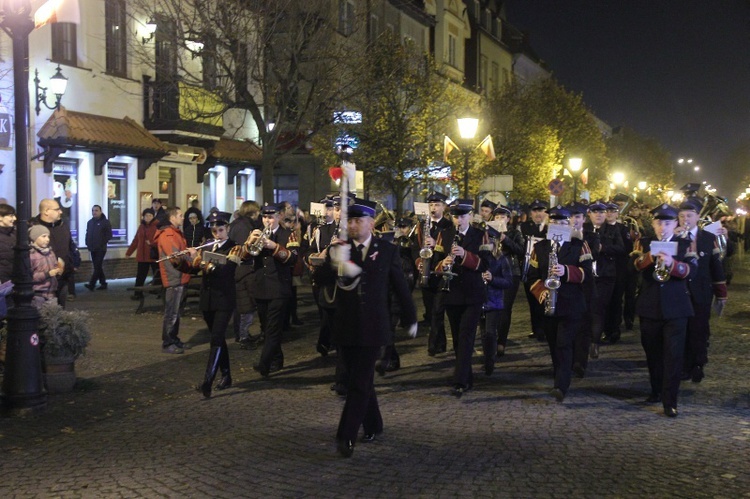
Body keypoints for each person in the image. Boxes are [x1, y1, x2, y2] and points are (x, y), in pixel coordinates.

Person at [316, 197, 417, 457]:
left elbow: (399, 286)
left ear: (371, 223)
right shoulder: (341, 248)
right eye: (349, 220)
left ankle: (346, 435)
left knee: (359, 383)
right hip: (345, 324)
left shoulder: (386, 250)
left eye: (358, 220)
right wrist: (332, 259)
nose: (352, 225)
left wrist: (410, 317)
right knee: (355, 380)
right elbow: (320, 280)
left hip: (373, 326)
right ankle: (374, 423)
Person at [631, 203, 697, 417]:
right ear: (653, 224)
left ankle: (670, 400)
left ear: (675, 224)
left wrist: (673, 264)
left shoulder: (686, 243)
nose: (663, 227)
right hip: (650, 306)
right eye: (659, 223)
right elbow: (636, 264)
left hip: (676, 308)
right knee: (653, 353)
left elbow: (691, 270)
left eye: (667, 223)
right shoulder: (644, 242)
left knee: (673, 355)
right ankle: (656, 390)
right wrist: (651, 256)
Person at [528, 205, 592, 402]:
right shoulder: (539, 248)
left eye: (563, 223)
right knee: (554, 343)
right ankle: (559, 374)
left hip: (571, 303)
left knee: (564, 343)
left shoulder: (579, 245)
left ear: (569, 225)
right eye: (555, 223)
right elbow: (531, 277)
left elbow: (587, 274)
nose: (559, 226)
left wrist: (566, 271)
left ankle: (561, 385)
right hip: (548, 303)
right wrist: (542, 293)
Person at [436, 199, 491, 397]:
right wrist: (444, 262)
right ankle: (466, 376)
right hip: (452, 293)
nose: (459, 220)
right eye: (456, 216)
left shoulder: (480, 235)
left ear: (470, 216)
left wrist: (465, 255)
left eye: (462, 216)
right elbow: (435, 262)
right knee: (458, 337)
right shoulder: (445, 235)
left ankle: (460, 380)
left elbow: (486, 263)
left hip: (473, 293)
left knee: (466, 337)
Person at [676, 199, 728, 383]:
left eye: (689, 216)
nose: (685, 219)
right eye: (681, 216)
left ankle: (698, 363)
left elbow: (716, 266)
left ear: (698, 217)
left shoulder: (708, 237)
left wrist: (721, 292)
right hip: (680, 292)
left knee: (699, 329)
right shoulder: (674, 237)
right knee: (681, 330)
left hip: (701, 291)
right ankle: (683, 365)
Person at [245, 203, 298, 377]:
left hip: (279, 288)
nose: (268, 220)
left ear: (280, 217)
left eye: (272, 217)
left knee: (273, 329)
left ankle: (264, 364)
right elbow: (244, 257)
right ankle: (277, 359)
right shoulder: (256, 233)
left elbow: (292, 259)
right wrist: (249, 243)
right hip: (260, 286)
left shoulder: (288, 235)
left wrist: (272, 246)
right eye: (265, 217)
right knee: (265, 326)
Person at [192, 212, 240, 398]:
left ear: (227, 228)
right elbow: (194, 268)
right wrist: (184, 259)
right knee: (217, 338)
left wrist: (200, 261)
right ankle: (226, 375)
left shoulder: (234, 247)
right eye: (214, 230)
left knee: (216, 337)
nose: (217, 233)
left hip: (224, 299)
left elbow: (226, 271)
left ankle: (207, 381)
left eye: (220, 229)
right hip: (208, 298)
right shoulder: (208, 246)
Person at [581, 200, 624, 363]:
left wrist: (603, 248)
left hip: (605, 275)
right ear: (589, 214)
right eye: (595, 212)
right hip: (586, 275)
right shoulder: (583, 229)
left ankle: (595, 342)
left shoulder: (613, 229)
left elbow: (621, 249)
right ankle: (585, 339)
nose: (599, 215)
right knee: (585, 308)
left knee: (598, 308)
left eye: (602, 212)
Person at [414, 191, 455, 356]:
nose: (433, 208)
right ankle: (441, 342)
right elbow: (414, 248)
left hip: (441, 273)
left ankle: (433, 345)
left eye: (437, 205)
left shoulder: (449, 226)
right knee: (431, 311)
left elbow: (450, 249)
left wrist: (436, 244)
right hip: (426, 272)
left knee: (438, 310)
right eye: (431, 205)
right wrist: (418, 262)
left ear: (443, 207)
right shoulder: (422, 225)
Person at [154, 207, 193, 354]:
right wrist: (191, 256)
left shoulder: (174, 233)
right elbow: (175, 255)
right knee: (171, 312)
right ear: (172, 218)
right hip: (174, 278)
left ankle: (174, 339)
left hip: (179, 276)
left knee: (175, 312)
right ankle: (168, 342)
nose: (183, 218)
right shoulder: (168, 234)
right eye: (180, 215)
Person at [478, 225, 512, 376]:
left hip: (494, 301)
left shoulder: (501, 259)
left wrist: (493, 279)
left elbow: (508, 281)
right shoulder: (477, 257)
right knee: (483, 333)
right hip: (479, 301)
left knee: (491, 333)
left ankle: (489, 362)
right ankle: (487, 357)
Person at [491, 205, 525, 356]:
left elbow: (521, 250)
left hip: (511, 272)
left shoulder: (515, 233)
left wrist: (506, 239)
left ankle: (501, 341)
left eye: (502, 217)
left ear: (508, 219)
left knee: (505, 308)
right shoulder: (489, 232)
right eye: (497, 217)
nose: (499, 220)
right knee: (491, 306)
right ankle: (491, 337)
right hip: (493, 272)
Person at [228, 200, 262, 347]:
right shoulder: (244, 226)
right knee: (245, 304)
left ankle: (242, 333)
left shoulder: (237, 223)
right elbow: (245, 248)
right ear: (253, 212)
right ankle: (242, 335)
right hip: (244, 269)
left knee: (242, 304)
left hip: (240, 268)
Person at [30, 199, 73, 308]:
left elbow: (70, 245)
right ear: (46, 211)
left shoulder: (63, 225)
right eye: (57, 209)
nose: (61, 212)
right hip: (41, 286)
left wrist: (74, 262)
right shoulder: (33, 228)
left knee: (60, 311)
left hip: (62, 278)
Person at [519, 199, 549, 341]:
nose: (538, 214)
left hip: (546, 268)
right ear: (530, 213)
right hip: (530, 268)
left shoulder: (550, 228)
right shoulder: (525, 227)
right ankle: (536, 329)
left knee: (545, 298)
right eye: (535, 211)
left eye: (541, 210)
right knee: (532, 299)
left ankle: (545, 328)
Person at [125, 208, 160, 300]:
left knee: (157, 275)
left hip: (153, 255)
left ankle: (160, 292)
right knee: (140, 276)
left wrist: (152, 243)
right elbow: (136, 240)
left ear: (153, 216)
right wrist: (129, 252)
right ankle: (138, 294)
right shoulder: (141, 227)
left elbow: (160, 240)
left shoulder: (157, 226)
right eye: (146, 216)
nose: (148, 217)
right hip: (142, 256)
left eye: (150, 215)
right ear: (143, 217)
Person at [29, 224, 63, 308]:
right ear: (35, 238)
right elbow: (28, 277)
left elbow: (55, 267)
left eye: (48, 237)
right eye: (43, 236)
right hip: (38, 294)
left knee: (53, 318)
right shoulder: (31, 255)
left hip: (52, 293)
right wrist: (47, 274)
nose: (47, 239)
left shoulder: (50, 253)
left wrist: (58, 270)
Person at [84, 205, 113, 291]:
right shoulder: (90, 222)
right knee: (98, 266)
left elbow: (109, 235)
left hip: (101, 248)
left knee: (97, 266)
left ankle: (92, 284)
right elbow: (87, 233)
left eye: (96, 210)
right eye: (93, 210)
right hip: (92, 248)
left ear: (100, 211)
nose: (94, 212)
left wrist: (102, 242)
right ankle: (103, 283)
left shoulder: (105, 222)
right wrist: (87, 243)